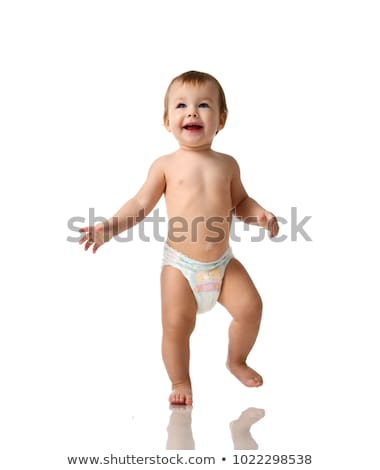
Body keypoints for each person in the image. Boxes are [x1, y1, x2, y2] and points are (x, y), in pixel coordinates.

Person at [79, 71, 279, 406]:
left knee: (251, 308)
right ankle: (180, 379)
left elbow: (240, 202)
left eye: (203, 105)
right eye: (181, 105)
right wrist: (110, 227)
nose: (192, 112)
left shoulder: (228, 164)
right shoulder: (165, 165)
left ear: (222, 120)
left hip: (222, 263)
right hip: (180, 267)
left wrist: (260, 215)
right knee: (176, 326)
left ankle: (236, 360)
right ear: (166, 120)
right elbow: (140, 204)